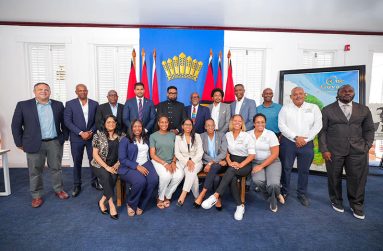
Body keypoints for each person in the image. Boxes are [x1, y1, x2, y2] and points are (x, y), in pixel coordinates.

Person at [319, 85, 374, 220]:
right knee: (334, 177)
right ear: (338, 94)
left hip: (358, 150)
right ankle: (336, 200)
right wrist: (324, 149)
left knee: (357, 179)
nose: (347, 93)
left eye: (350, 91)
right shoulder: (327, 110)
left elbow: (369, 129)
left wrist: (366, 146)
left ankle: (357, 205)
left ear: (353, 93)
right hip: (333, 150)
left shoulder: (363, 109)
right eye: (344, 91)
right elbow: (322, 131)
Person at [11, 82, 69, 208]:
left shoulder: (58, 105)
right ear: (34, 91)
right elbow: (16, 125)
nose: (43, 91)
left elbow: (64, 124)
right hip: (33, 143)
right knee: (35, 171)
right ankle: (36, 196)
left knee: (56, 168)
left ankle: (58, 189)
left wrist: (63, 138)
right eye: (40, 89)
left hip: (54, 142)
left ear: (50, 91)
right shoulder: (23, 105)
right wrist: (19, 143)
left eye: (46, 89)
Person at [202, 115, 255, 221]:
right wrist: (229, 161)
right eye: (235, 121)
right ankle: (240, 206)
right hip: (231, 161)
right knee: (233, 177)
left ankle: (215, 195)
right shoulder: (228, 135)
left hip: (245, 163)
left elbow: (252, 155)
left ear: (242, 123)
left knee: (231, 171)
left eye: (239, 121)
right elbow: (226, 151)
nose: (237, 123)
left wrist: (240, 165)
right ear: (231, 122)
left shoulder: (247, 136)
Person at [278, 87, 322, 206]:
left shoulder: (313, 108)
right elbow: (281, 125)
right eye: (295, 94)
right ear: (291, 96)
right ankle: (284, 191)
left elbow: (318, 125)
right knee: (286, 168)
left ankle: (302, 193)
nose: (298, 96)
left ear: (305, 95)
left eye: (300, 94)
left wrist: (305, 139)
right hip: (288, 143)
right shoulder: (285, 108)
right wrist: (296, 137)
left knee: (304, 170)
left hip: (307, 144)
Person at [64, 83, 100, 197]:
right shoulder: (70, 104)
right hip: (76, 138)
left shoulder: (94, 104)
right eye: (80, 91)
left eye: (84, 90)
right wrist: (80, 133)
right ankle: (77, 184)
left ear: (87, 91)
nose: (83, 92)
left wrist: (90, 132)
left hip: (91, 137)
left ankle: (94, 181)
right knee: (77, 161)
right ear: (76, 92)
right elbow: (67, 121)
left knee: (94, 160)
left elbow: (97, 121)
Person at [118, 119, 159, 216]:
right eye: (135, 126)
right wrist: (136, 166)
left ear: (142, 128)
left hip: (146, 163)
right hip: (129, 166)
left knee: (153, 179)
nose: (137, 128)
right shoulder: (125, 140)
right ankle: (131, 203)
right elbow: (122, 159)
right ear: (131, 128)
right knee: (140, 181)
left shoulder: (146, 138)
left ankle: (141, 204)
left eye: (139, 126)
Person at [249, 113, 284, 212]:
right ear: (254, 123)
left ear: (265, 123)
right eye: (258, 122)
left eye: (263, 122)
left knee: (273, 184)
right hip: (256, 162)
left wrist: (261, 166)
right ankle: (275, 194)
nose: (260, 124)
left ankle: (273, 202)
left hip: (272, 161)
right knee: (258, 181)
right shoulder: (248, 134)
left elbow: (275, 154)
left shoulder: (270, 134)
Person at [91, 115, 122, 220]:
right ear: (104, 124)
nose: (111, 124)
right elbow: (95, 155)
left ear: (116, 123)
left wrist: (117, 164)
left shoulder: (121, 136)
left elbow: (123, 154)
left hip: (115, 164)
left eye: (113, 122)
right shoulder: (98, 135)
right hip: (99, 164)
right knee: (106, 176)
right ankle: (111, 204)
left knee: (112, 177)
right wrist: (107, 167)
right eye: (108, 122)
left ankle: (101, 201)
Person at [150, 115, 184, 208]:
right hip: (158, 161)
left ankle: (167, 195)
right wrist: (164, 164)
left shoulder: (173, 135)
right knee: (166, 176)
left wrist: (173, 162)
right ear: (158, 123)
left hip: (172, 160)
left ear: (168, 123)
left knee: (179, 175)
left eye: (166, 122)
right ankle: (160, 197)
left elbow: (176, 151)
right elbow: (152, 154)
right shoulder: (153, 136)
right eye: (162, 122)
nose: (164, 124)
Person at [194, 119, 228, 210]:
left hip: (220, 164)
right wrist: (214, 161)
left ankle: (202, 193)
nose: (210, 127)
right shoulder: (201, 136)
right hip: (208, 164)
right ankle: (217, 198)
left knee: (215, 166)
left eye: (212, 125)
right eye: (208, 125)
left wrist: (212, 162)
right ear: (205, 127)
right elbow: (201, 153)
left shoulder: (222, 135)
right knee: (216, 178)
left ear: (215, 126)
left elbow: (224, 152)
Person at [174, 118, 204, 206]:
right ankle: (197, 196)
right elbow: (177, 153)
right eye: (186, 125)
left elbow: (200, 152)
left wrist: (192, 161)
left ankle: (183, 194)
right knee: (192, 174)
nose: (188, 126)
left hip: (197, 161)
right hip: (184, 162)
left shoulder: (197, 136)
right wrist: (187, 162)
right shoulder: (178, 137)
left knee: (191, 171)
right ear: (182, 126)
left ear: (192, 126)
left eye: (190, 124)